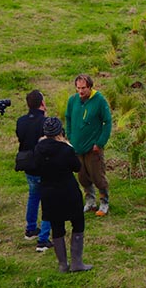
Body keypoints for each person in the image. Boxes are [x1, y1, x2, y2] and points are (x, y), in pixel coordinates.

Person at [34, 117, 92, 273]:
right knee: (78, 223)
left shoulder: (39, 148)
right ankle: (77, 263)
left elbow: (36, 168)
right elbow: (76, 167)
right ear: (60, 131)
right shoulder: (66, 149)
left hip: (48, 193)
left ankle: (62, 264)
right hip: (68, 191)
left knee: (56, 226)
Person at [65, 74, 112, 216]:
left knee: (98, 175)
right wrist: (70, 137)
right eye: (78, 88)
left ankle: (104, 202)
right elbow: (68, 118)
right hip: (77, 147)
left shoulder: (99, 101)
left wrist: (100, 142)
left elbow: (107, 122)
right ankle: (90, 201)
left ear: (90, 87)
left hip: (93, 148)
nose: (80, 91)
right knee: (82, 176)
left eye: (83, 88)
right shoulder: (72, 101)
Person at [15, 90, 52, 252]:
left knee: (33, 195)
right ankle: (43, 239)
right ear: (42, 103)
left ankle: (31, 229)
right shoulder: (45, 122)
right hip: (43, 167)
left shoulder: (21, 121)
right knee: (49, 202)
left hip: (28, 165)